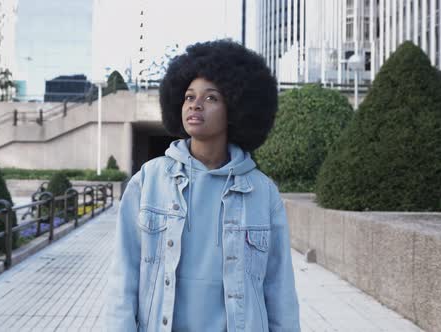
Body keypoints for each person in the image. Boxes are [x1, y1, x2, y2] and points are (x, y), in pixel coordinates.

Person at [106, 40, 300, 332]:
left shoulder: (262, 192)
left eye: (211, 98)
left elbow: (279, 288)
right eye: (188, 96)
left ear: (235, 108)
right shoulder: (148, 182)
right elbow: (124, 278)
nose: (195, 104)